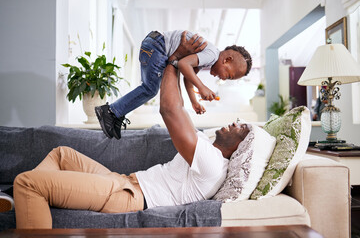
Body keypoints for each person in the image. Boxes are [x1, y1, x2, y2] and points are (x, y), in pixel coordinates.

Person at [10, 36, 251, 229]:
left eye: (241, 128)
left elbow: (169, 110)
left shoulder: (213, 163)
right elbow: (178, 107)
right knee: (61, 154)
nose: (236, 122)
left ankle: (25, 199)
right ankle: (28, 207)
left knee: (27, 183)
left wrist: (175, 58)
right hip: (125, 181)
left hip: (127, 195)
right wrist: (184, 73)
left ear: (239, 146)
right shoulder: (205, 145)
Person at [95, 30, 252, 139]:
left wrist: (194, 101)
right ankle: (110, 112)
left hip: (154, 44)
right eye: (229, 75)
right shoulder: (211, 55)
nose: (224, 79)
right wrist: (202, 87)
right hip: (158, 46)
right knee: (150, 89)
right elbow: (183, 65)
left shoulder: (206, 57)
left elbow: (187, 77)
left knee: (150, 88)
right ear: (227, 60)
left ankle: (116, 114)